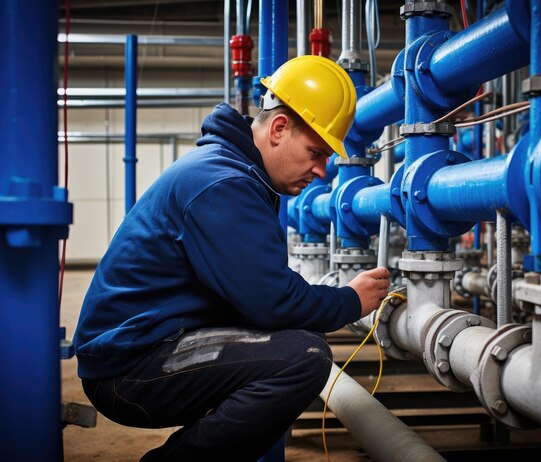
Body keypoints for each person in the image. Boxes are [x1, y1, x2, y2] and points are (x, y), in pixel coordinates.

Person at [73, 55, 391, 462]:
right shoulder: (223, 184)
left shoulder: (233, 172)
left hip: (143, 346)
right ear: (279, 128)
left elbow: (259, 291)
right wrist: (349, 300)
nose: (321, 170)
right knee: (302, 359)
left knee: (291, 349)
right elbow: (273, 302)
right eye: (316, 151)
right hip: (128, 368)